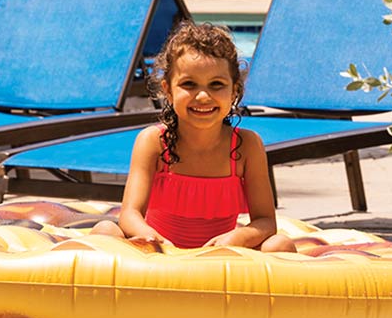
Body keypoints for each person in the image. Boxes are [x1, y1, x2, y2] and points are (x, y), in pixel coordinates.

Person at [90, 23, 293, 252]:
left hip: (221, 259)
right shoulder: (154, 142)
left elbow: (266, 222)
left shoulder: (246, 146)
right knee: (106, 230)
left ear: (235, 90)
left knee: (280, 244)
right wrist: (149, 236)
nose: (203, 96)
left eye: (217, 85)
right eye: (189, 84)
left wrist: (238, 236)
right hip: (160, 254)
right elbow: (129, 213)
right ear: (168, 90)